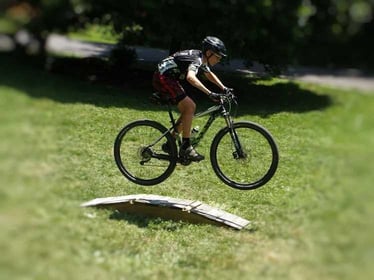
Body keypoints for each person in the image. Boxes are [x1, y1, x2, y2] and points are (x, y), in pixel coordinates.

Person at [152, 36, 232, 162]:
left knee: (188, 110)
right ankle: (186, 147)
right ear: (209, 53)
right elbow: (190, 77)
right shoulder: (197, 59)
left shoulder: (201, 58)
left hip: (171, 77)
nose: (219, 60)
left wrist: (224, 88)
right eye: (217, 56)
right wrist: (210, 93)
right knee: (190, 107)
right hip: (164, 77)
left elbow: (208, 74)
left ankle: (170, 143)